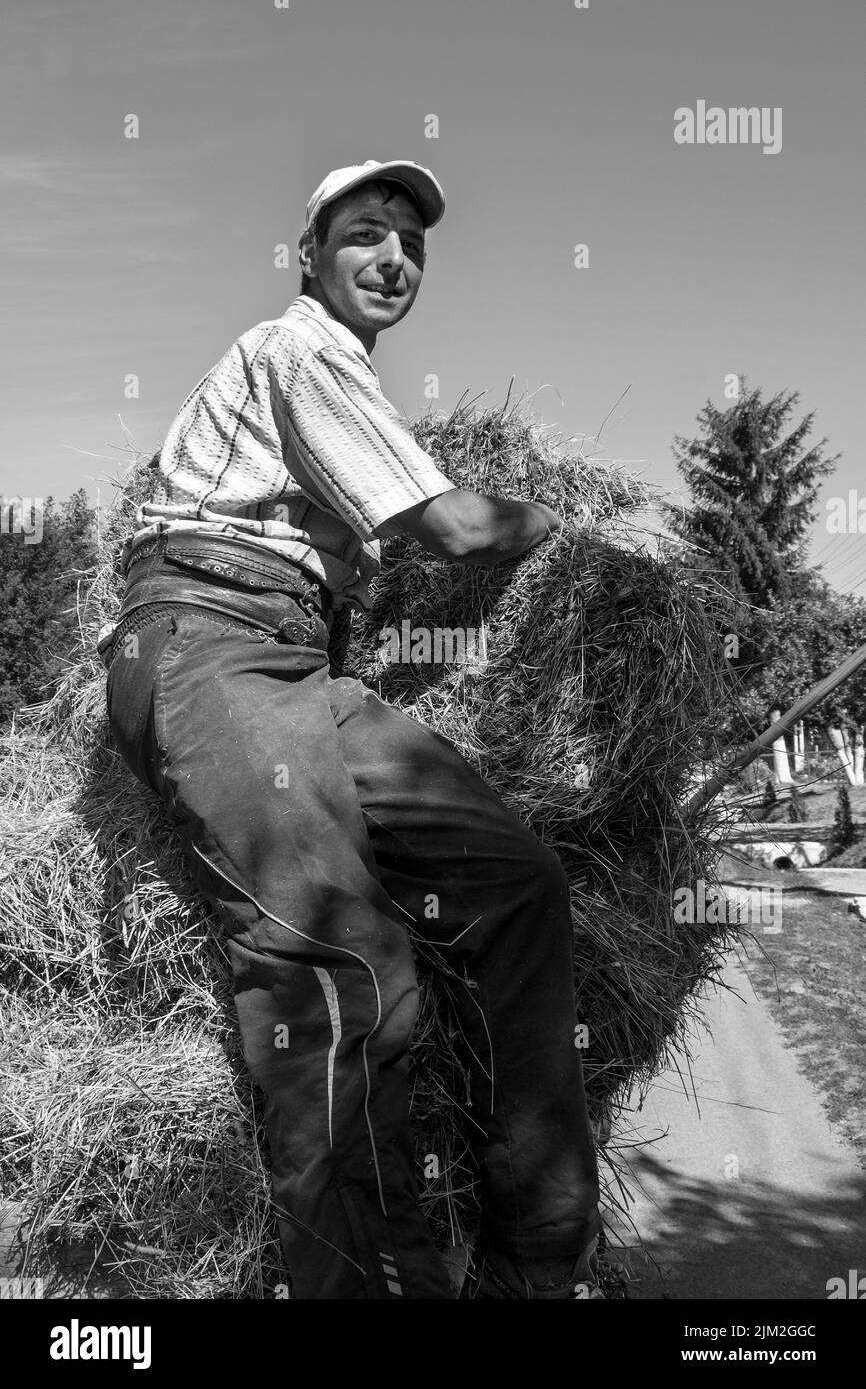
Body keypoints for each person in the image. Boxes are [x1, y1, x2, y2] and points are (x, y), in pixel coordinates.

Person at [102, 158, 603, 1299]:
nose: (393, 259)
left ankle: (538, 1248)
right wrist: (551, 516)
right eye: (365, 234)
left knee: (518, 878)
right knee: (338, 957)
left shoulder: (345, 391)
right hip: (203, 638)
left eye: (411, 245)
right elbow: (462, 528)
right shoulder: (300, 347)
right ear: (308, 257)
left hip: (296, 662)